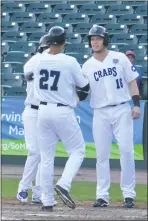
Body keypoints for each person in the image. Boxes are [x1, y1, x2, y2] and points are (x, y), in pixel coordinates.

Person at [24, 26, 89, 212]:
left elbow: (27, 74)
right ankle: (64, 184)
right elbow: (84, 86)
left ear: (48, 41)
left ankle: (47, 201)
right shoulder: (70, 61)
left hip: (42, 111)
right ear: (64, 42)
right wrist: (77, 98)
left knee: (46, 158)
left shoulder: (38, 59)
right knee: (78, 151)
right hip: (63, 110)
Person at [82, 25, 141, 208]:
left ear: (105, 39)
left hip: (122, 109)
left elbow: (132, 82)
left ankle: (129, 195)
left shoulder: (120, 58)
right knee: (101, 155)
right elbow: (83, 92)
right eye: (92, 39)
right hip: (100, 112)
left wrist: (136, 105)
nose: (95, 41)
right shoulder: (87, 66)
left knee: (126, 151)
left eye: (98, 38)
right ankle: (102, 195)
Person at [17, 35, 57, 205]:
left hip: (47, 111)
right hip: (32, 111)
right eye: (47, 48)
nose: (49, 51)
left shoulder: (57, 64)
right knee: (35, 151)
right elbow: (27, 73)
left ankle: (39, 193)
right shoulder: (36, 59)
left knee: (45, 155)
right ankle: (24, 187)